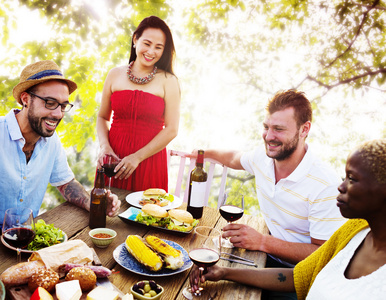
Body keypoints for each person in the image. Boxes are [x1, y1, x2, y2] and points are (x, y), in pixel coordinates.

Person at [193, 90, 346, 299]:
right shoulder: (262, 158)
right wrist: (202, 153)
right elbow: (234, 158)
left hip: (304, 279)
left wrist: (263, 242)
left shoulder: (325, 185)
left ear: (304, 129)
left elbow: (321, 255)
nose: (269, 136)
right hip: (264, 259)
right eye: (266, 127)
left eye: (279, 129)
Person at [190, 138, 386, 299]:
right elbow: (297, 277)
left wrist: (262, 242)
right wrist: (224, 273)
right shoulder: (354, 230)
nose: (341, 187)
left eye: (351, 179)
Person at [0, 60, 121, 223]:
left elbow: (66, 183)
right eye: (50, 103)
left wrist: (94, 204)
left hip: (28, 236)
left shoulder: (51, 141)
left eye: (63, 106)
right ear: (25, 100)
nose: (58, 114)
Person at [96, 15, 180, 192]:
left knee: (145, 215)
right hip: (114, 160)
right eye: (147, 43)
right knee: (105, 212)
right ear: (135, 39)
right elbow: (103, 116)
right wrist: (104, 147)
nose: (151, 52)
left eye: (158, 47)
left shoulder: (169, 81)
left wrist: (137, 157)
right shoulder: (114, 74)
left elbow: (172, 129)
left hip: (149, 161)